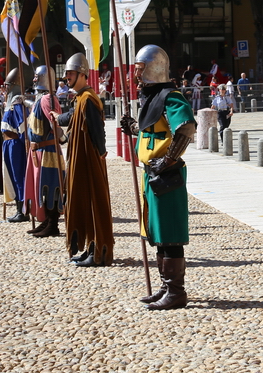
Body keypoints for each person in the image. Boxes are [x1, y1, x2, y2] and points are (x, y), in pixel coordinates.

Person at [120, 45, 197, 310]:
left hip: (167, 176)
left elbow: (185, 127)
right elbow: (156, 131)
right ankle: (166, 286)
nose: (136, 74)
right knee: (158, 233)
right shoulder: (153, 97)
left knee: (170, 233)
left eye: (140, 69)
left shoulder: (170, 96)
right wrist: (133, 127)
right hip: (152, 175)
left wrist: (168, 160)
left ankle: (176, 291)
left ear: (153, 68)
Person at [59, 52, 113, 266]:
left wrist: (100, 153)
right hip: (81, 159)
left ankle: (98, 249)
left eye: (70, 74)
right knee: (82, 202)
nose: (67, 78)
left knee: (93, 203)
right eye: (66, 75)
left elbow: (96, 129)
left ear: (82, 74)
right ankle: (89, 245)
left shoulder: (89, 98)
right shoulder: (80, 97)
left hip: (89, 159)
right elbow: (73, 122)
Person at [24, 65, 65, 237]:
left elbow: (55, 123)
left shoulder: (48, 98)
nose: (34, 79)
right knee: (41, 187)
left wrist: (62, 138)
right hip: (39, 151)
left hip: (49, 151)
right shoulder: (40, 99)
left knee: (51, 187)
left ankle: (53, 224)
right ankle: (46, 221)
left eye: (36, 76)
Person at [1, 68, 30, 223]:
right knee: (12, 177)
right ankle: (19, 207)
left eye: (7, 85)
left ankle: (22, 211)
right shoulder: (11, 102)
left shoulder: (18, 102)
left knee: (19, 177)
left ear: (13, 85)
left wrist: (24, 142)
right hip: (8, 144)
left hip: (15, 145)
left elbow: (23, 126)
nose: (5, 88)